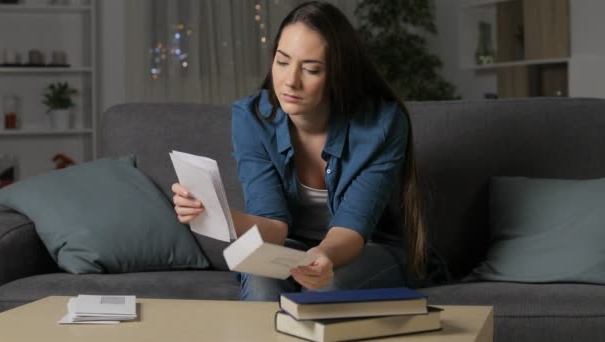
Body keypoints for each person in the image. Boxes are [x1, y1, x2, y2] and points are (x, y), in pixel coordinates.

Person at [172, 1, 442, 301]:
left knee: (326, 284)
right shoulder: (251, 118)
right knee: (261, 280)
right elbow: (273, 227)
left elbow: (353, 227)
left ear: (338, 75)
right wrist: (216, 212)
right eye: (282, 61)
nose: (290, 81)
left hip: (369, 248)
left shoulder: (382, 124)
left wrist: (322, 255)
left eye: (311, 69)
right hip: (290, 247)